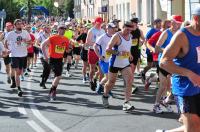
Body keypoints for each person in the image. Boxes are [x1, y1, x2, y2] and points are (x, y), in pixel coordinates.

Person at [156, 6, 200, 132]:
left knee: (194, 127)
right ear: (196, 19)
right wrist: (189, 73)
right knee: (193, 128)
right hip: (185, 88)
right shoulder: (182, 36)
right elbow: (164, 62)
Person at [102, 21, 134, 111]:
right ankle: (105, 96)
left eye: (130, 30)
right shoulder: (116, 36)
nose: (128, 32)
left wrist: (130, 54)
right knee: (111, 82)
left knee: (130, 80)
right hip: (115, 63)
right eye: (127, 29)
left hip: (125, 63)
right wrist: (119, 53)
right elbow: (108, 49)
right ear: (123, 27)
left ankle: (126, 102)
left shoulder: (130, 36)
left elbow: (128, 48)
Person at [153, 15, 183, 114]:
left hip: (174, 63)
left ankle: (165, 101)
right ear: (171, 22)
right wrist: (168, 51)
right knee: (163, 86)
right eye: (174, 23)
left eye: (178, 23)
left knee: (172, 85)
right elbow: (157, 48)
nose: (176, 25)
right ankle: (156, 105)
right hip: (164, 62)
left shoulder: (180, 33)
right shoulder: (166, 33)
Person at [41, 23, 70, 101]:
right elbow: (42, 45)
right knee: (58, 76)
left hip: (60, 59)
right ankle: (52, 91)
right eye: (61, 28)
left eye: (64, 29)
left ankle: (52, 90)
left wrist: (69, 49)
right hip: (52, 59)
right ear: (58, 29)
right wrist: (45, 56)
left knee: (58, 76)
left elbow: (67, 50)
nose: (63, 30)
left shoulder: (66, 39)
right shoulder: (53, 37)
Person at [5, 19, 31, 97]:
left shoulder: (25, 33)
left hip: (23, 54)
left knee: (20, 71)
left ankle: (18, 84)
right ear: (15, 25)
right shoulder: (11, 34)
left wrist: (25, 42)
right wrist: (7, 49)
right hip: (14, 55)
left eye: (21, 24)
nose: (20, 25)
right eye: (18, 24)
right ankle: (19, 88)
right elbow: (5, 42)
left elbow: (30, 42)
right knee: (17, 72)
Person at [94, 23, 116, 96]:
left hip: (112, 60)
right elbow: (95, 46)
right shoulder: (102, 37)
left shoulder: (114, 37)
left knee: (111, 78)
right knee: (108, 77)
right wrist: (99, 56)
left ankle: (105, 88)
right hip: (104, 60)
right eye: (112, 28)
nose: (114, 29)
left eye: (114, 28)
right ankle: (101, 86)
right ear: (108, 28)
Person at [86, 17, 105, 91]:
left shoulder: (103, 31)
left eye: (101, 23)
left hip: (101, 52)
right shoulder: (91, 31)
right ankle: (91, 81)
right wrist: (97, 44)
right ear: (95, 22)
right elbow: (88, 42)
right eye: (98, 23)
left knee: (101, 70)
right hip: (92, 51)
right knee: (92, 69)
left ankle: (100, 85)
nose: (99, 24)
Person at [141, 19, 162, 83]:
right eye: (159, 23)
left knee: (158, 66)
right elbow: (146, 41)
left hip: (157, 51)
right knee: (150, 65)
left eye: (161, 23)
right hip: (150, 51)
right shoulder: (151, 31)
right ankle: (143, 72)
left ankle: (158, 80)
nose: (160, 24)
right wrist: (149, 49)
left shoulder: (161, 31)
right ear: (155, 23)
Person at [130, 17, 145, 93]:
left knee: (132, 70)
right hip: (128, 53)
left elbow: (143, 39)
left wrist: (141, 42)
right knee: (129, 71)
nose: (134, 24)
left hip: (135, 52)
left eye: (135, 23)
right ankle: (130, 85)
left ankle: (131, 85)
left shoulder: (139, 31)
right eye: (133, 23)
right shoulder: (128, 31)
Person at [36, 24, 51, 89]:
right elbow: (36, 44)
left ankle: (43, 82)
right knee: (45, 67)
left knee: (49, 70)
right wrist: (41, 47)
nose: (49, 29)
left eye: (49, 28)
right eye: (48, 28)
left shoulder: (51, 36)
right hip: (42, 55)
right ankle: (43, 82)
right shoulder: (41, 36)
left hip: (49, 54)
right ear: (45, 29)